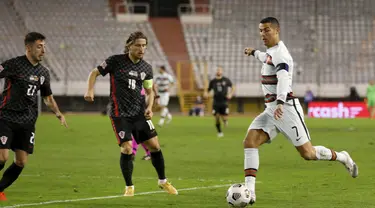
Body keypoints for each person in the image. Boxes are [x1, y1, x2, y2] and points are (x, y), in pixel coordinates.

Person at [243, 17, 358, 205]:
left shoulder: (282, 54)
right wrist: (253, 52)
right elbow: (265, 57)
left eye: (266, 30)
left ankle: (343, 157)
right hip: (271, 110)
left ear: (277, 30)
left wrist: (280, 102)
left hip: (285, 108)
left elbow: (283, 78)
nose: (262, 34)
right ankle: (250, 192)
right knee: (250, 142)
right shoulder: (271, 52)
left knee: (308, 154)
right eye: (261, 31)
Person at [84, 31, 177, 196]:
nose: (141, 49)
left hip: (140, 114)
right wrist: (90, 90)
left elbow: (149, 92)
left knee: (155, 146)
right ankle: (129, 187)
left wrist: (149, 107)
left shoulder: (146, 68)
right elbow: (94, 72)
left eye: (144, 46)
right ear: (129, 46)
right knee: (127, 149)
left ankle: (163, 181)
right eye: (138, 45)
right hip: (120, 115)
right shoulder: (115, 61)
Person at [0, 32, 68, 201]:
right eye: (39, 47)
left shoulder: (44, 72)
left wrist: (58, 114)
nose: (43, 50)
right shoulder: (14, 64)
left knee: (21, 162)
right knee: (2, 157)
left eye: (44, 46)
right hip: (6, 117)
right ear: (28, 48)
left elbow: (48, 98)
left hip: (27, 122)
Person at [204, 66, 234, 137]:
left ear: (222, 71)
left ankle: (225, 121)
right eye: (217, 70)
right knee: (216, 117)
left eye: (220, 70)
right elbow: (208, 90)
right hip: (216, 102)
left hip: (224, 101)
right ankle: (219, 132)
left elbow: (233, 87)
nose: (218, 71)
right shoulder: (213, 81)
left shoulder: (226, 80)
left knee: (224, 117)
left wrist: (230, 94)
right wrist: (206, 93)